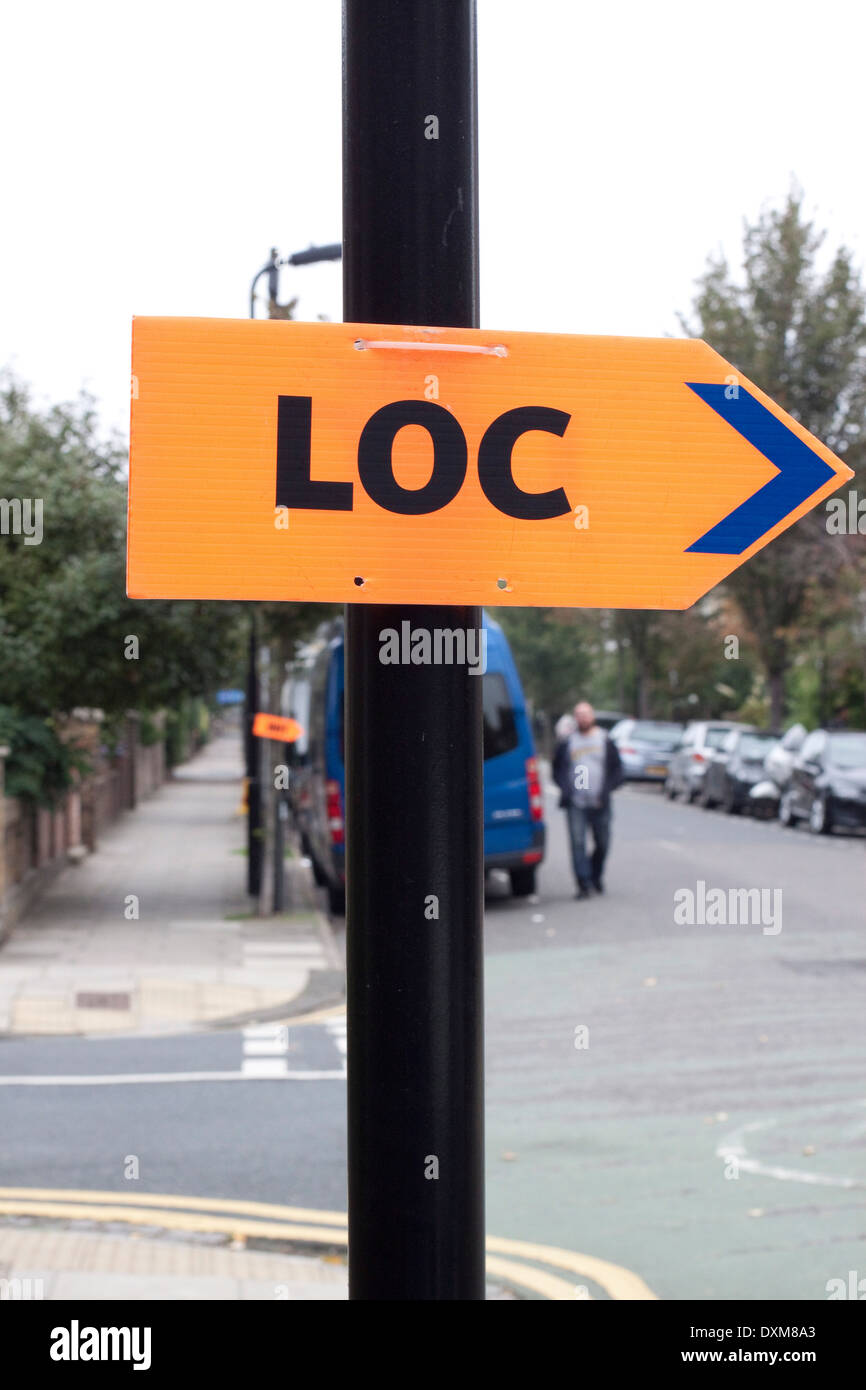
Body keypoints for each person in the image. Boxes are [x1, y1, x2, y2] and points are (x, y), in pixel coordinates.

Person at [553, 701, 623, 899]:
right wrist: (566, 789)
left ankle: (595, 875)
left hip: (600, 801)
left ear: (592, 716)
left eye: (586, 714)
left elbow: (617, 769)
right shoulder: (568, 742)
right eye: (579, 714)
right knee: (577, 843)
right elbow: (557, 769)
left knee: (603, 842)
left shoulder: (605, 740)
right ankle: (583, 883)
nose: (583, 718)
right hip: (576, 802)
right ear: (575, 718)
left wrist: (608, 789)